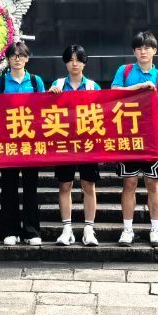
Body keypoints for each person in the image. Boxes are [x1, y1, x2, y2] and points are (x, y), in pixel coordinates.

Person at [111, 31, 158, 247]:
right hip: (128, 136)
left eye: (147, 48)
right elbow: (113, 93)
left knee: (153, 183)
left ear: (154, 51)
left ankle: (156, 229)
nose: (143, 51)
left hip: (152, 139)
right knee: (129, 183)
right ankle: (127, 230)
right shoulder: (125, 71)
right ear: (134, 52)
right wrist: (139, 87)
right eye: (139, 48)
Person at [0, 40, 45, 245]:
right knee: (9, 187)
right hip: (8, 142)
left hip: (30, 142)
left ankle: (31, 231)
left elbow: (44, 108)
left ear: (27, 58)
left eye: (21, 55)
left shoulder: (35, 81)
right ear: (8, 59)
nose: (17, 59)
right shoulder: (0, 82)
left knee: (31, 188)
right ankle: (10, 230)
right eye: (13, 56)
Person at [50, 44, 100, 246]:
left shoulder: (93, 86)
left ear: (84, 63)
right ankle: (67, 229)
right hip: (64, 142)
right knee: (65, 185)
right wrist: (49, 95)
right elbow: (46, 112)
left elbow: (103, 113)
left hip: (87, 143)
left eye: (78, 60)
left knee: (89, 185)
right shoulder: (58, 84)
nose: (74, 64)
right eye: (70, 60)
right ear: (65, 63)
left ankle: (89, 229)